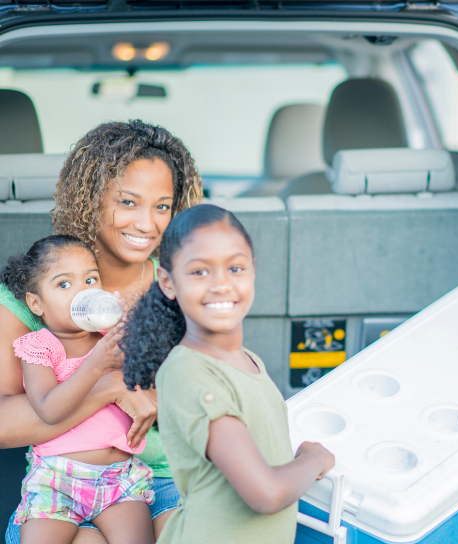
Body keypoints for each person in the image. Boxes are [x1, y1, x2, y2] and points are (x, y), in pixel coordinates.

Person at [2, 120, 203, 544]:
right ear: (91, 199)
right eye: (128, 202)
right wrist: (111, 386)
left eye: (162, 206)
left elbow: (197, 404)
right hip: (60, 485)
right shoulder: (31, 294)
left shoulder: (177, 287)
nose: (147, 224)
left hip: (159, 479)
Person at [121, 204, 335, 544]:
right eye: (199, 272)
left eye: (235, 268)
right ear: (168, 282)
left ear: (253, 270)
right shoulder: (188, 373)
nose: (221, 284)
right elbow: (265, 494)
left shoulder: (247, 360)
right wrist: (312, 459)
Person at [2, 235, 153, 544]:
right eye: (64, 285)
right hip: (56, 480)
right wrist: (96, 366)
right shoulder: (39, 347)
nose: (82, 291)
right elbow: (48, 409)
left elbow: (146, 388)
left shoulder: (109, 340)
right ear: (36, 303)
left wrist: (125, 330)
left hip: (119, 479)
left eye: (90, 279)